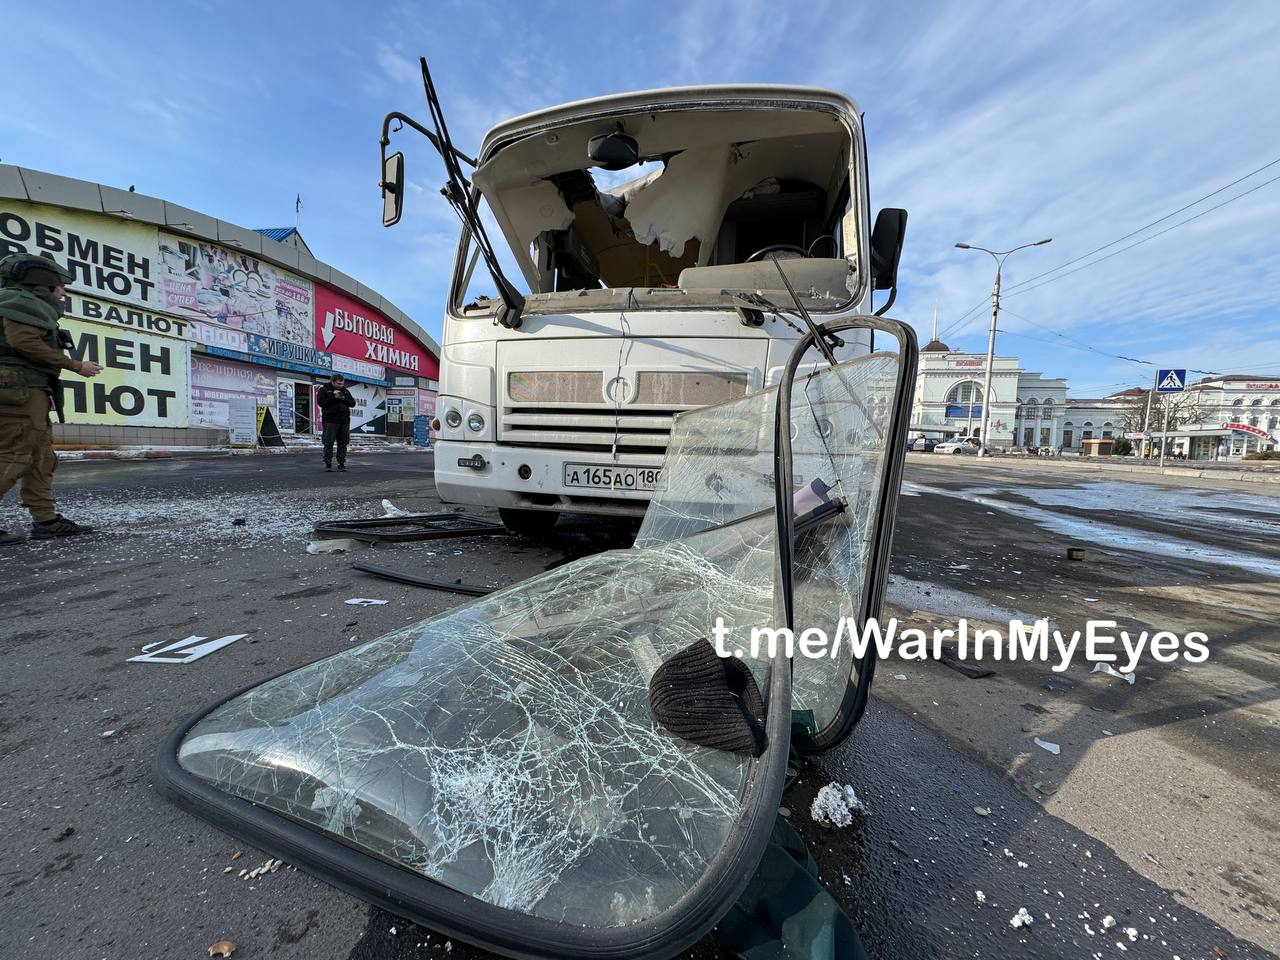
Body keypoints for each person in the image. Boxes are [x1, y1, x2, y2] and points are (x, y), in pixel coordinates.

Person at [0, 254, 103, 545]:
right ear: (42, 283)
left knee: (40, 457)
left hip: (29, 391)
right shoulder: (18, 301)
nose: (63, 292)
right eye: (59, 287)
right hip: (18, 392)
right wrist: (75, 365)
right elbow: (24, 343)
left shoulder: (22, 303)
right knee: (14, 454)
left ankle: (45, 520)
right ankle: (45, 520)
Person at [317, 373, 356, 472]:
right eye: (338, 384)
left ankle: (341, 463)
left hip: (344, 421)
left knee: (343, 443)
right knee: (328, 442)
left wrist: (343, 398)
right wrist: (333, 397)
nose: (340, 385)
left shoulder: (345, 391)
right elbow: (321, 403)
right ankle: (328, 464)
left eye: (342, 383)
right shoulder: (324, 390)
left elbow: (352, 403)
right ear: (333, 382)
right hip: (330, 420)